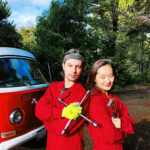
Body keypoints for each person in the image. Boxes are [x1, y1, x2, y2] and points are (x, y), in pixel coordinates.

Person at [35, 49, 89, 150]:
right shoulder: (53, 87)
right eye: (70, 65)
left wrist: (46, 122)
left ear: (82, 69)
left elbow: (65, 129)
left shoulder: (83, 95)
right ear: (63, 66)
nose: (74, 70)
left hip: (70, 145)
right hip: (52, 144)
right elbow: (39, 110)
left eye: (78, 66)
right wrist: (62, 112)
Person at [86, 59, 135, 150]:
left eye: (110, 76)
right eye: (102, 77)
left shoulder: (114, 98)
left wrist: (121, 123)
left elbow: (131, 120)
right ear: (94, 78)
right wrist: (124, 128)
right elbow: (111, 136)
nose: (108, 80)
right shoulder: (95, 101)